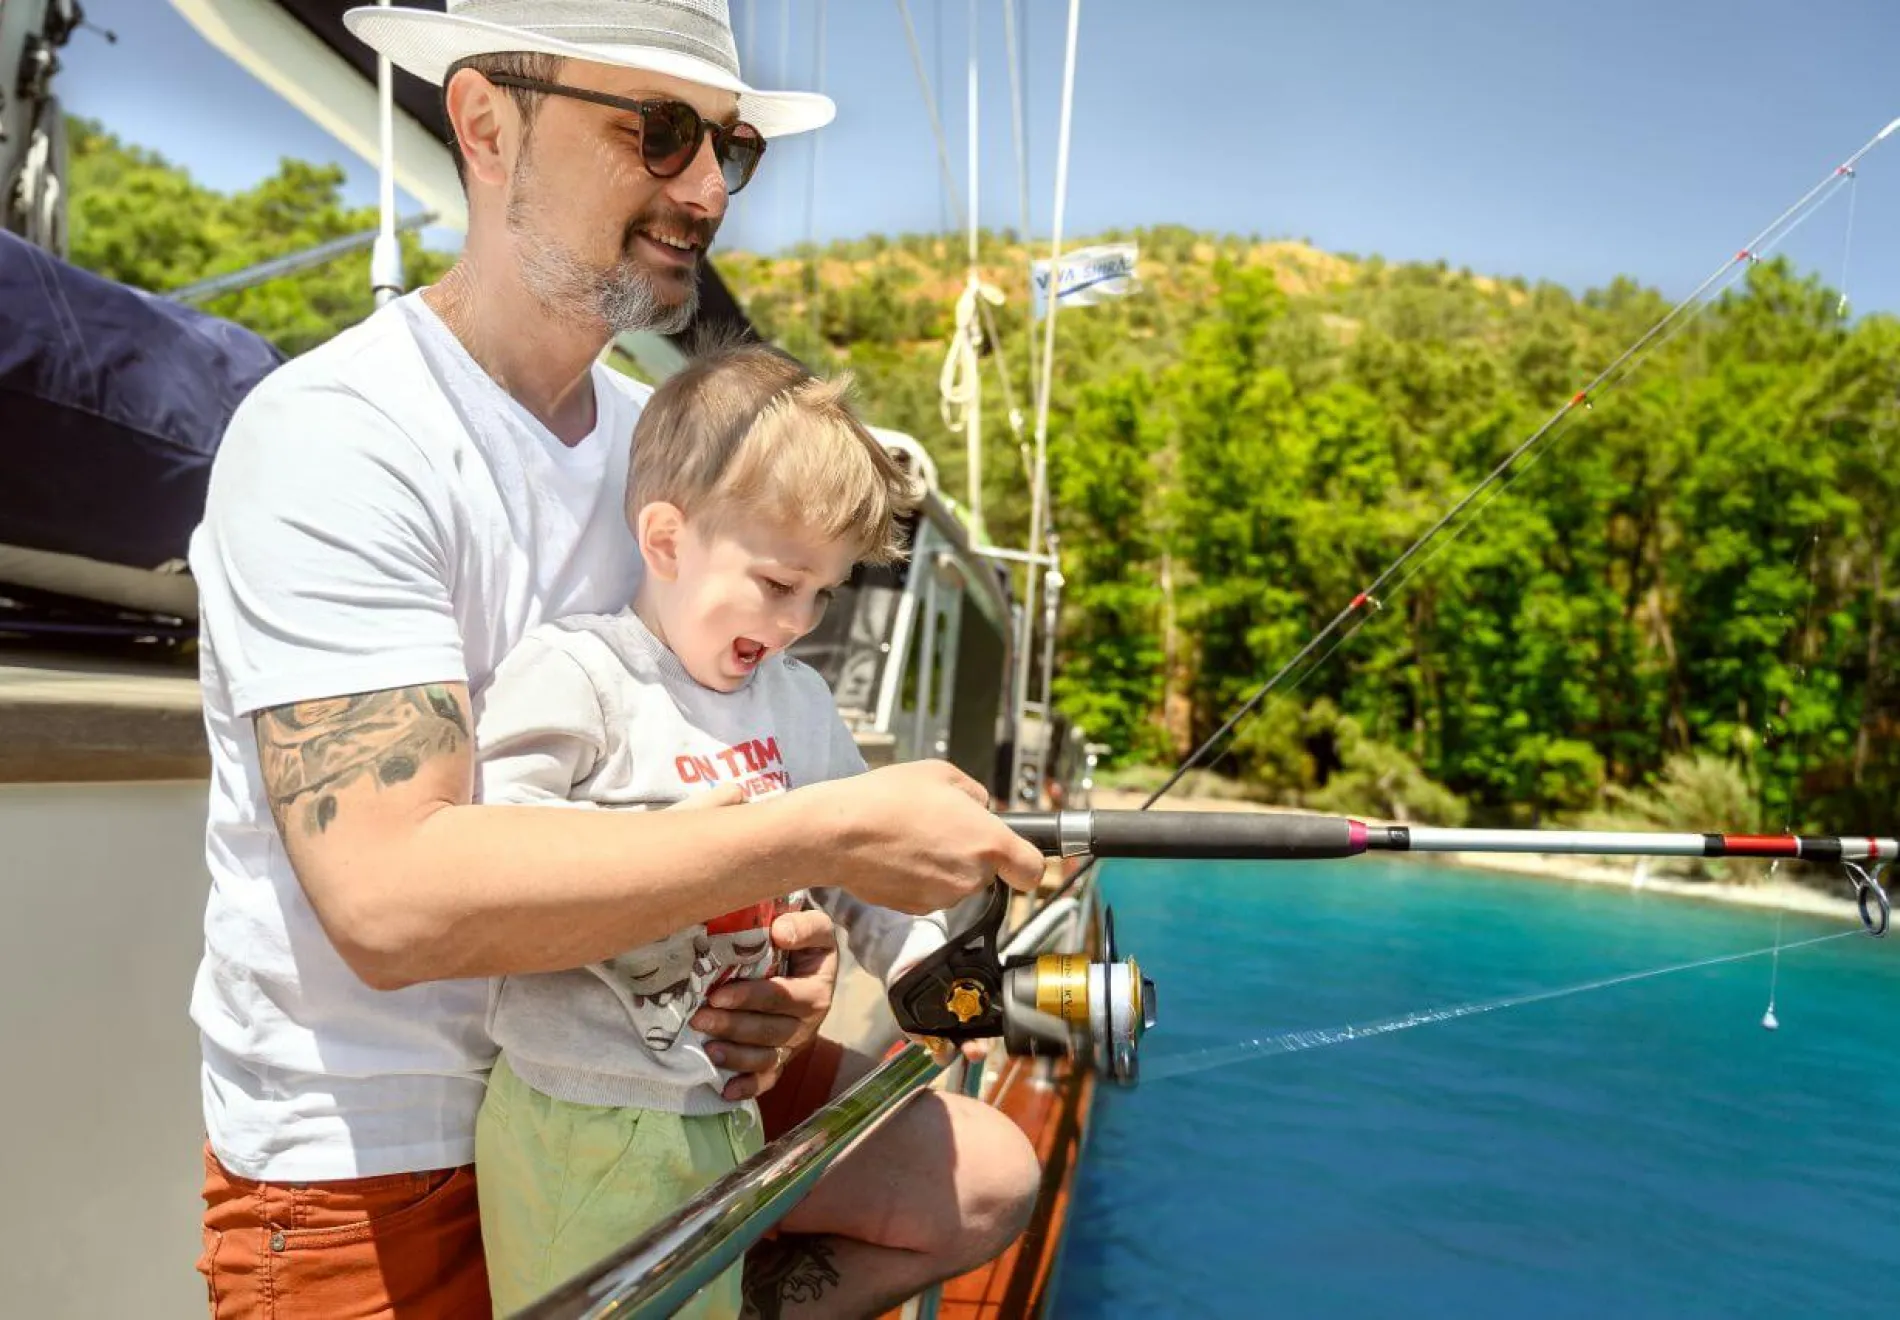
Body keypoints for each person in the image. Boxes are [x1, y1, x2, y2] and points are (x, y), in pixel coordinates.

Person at [186, 3, 1046, 1316]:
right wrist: (810, 836)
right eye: (659, 131)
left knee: (976, 1181)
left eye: (729, 148)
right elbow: (393, 906)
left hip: (664, 1076)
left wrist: (786, 957)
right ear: (485, 124)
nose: (707, 190)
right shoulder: (339, 439)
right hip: (382, 1153)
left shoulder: (689, 458)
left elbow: (719, 775)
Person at [473, 340, 972, 1316]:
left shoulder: (798, 703)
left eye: (823, 594)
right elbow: (499, 850)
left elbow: (862, 855)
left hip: (724, 1114)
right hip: (577, 1117)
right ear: (666, 541)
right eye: (779, 584)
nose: (799, 621)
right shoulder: (582, 675)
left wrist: (921, 962)